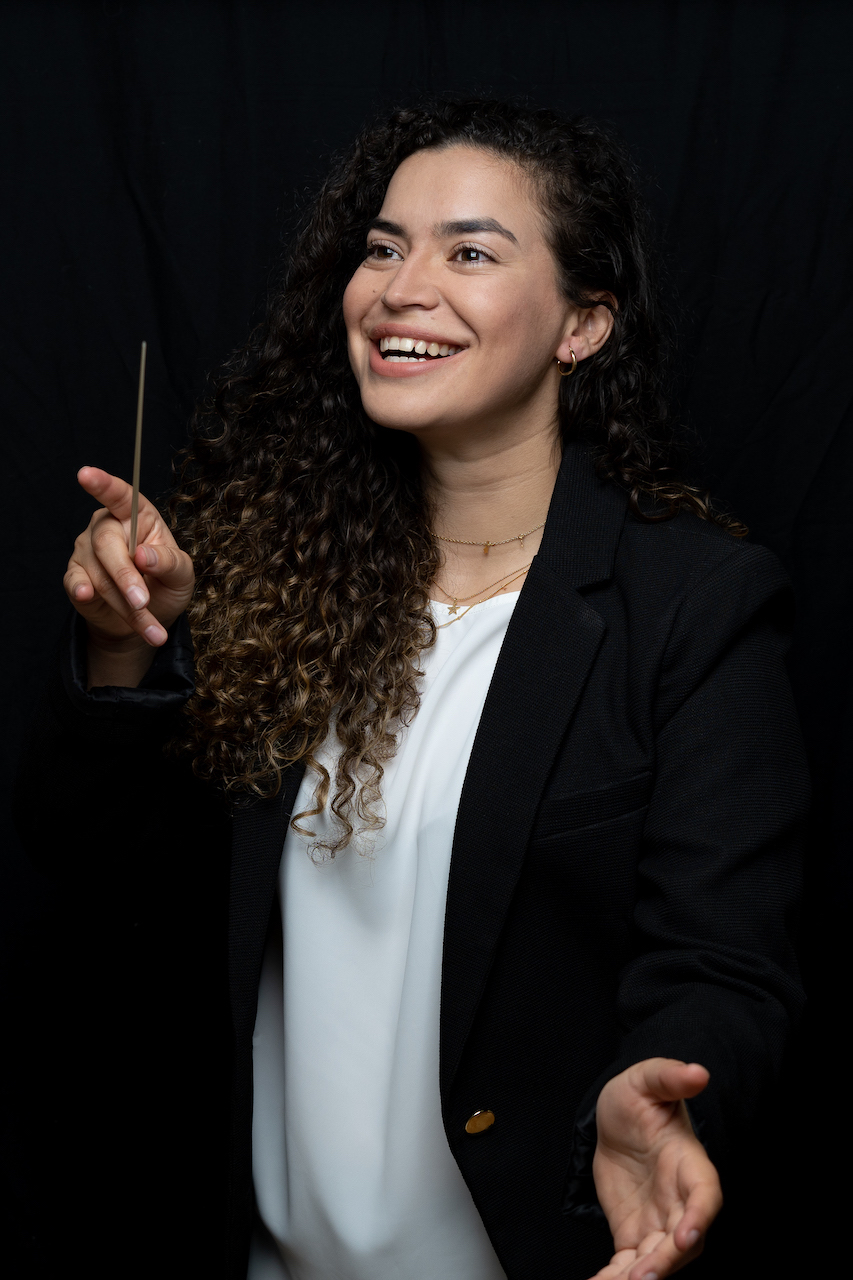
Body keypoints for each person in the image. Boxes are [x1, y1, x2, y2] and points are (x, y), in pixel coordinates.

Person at [16, 100, 807, 1280]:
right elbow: (104, 889)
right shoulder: (271, 579)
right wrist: (124, 650)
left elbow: (723, 959)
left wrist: (667, 1089)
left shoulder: (693, 605)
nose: (400, 288)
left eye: (469, 252)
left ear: (583, 323)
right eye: (382, 246)